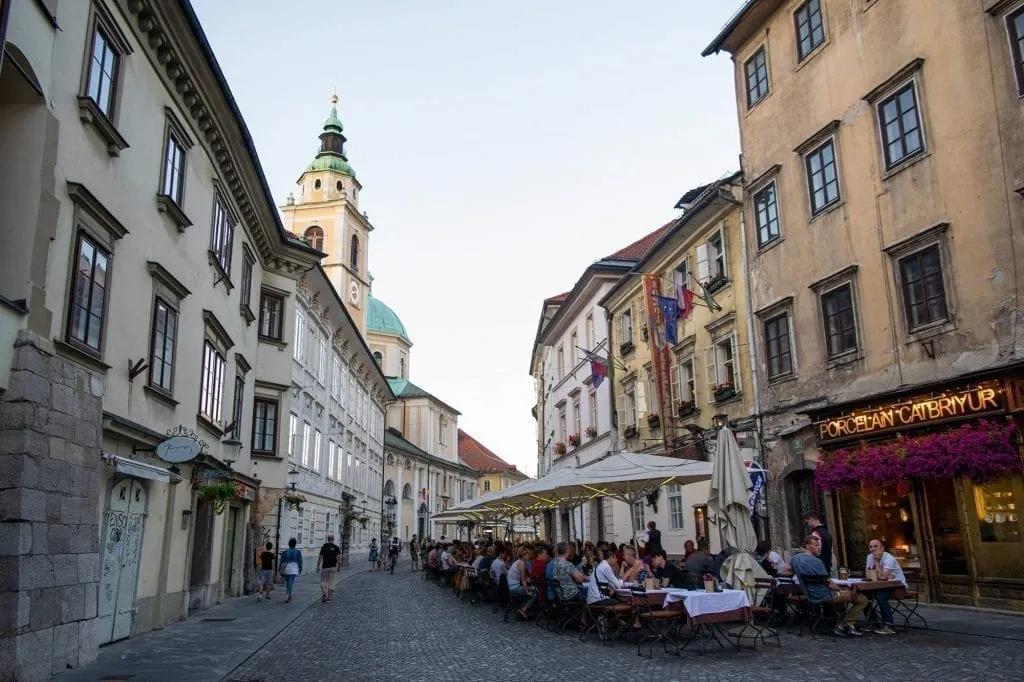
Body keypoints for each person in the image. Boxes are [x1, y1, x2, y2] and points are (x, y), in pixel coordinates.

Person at [790, 535, 868, 637]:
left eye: (819, 545)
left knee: (845, 596)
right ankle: (845, 624)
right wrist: (842, 589)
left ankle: (839, 622)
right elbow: (830, 583)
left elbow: (786, 571)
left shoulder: (795, 558)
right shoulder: (817, 561)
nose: (819, 547)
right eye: (816, 545)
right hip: (827, 595)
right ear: (808, 546)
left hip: (810, 595)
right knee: (862, 599)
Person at [865, 538, 905, 635]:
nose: (873, 549)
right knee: (862, 596)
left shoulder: (889, 559)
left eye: (875, 546)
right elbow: (867, 575)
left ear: (882, 548)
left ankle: (889, 625)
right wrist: (873, 567)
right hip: (880, 586)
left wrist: (877, 562)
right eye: (871, 547)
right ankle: (873, 622)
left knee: (880, 596)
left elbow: (882, 577)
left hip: (897, 587)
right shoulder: (870, 557)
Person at [317, 534, 342, 603]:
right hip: (333, 567)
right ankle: (329, 598)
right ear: (333, 539)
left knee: (323, 581)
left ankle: (324, 592)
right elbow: (338, 558)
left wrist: (318, 566)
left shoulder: (324, 547)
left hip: (325, 567)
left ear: (328, 539)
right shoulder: (336, 547)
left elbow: (320, 557)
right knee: (331, 582)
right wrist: (339, 566)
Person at [280, 538, 303, 603]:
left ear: (289, 544)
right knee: (290, 583)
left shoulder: (286, 551)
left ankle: (289, 595)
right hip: (293, 569)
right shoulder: (298, 552)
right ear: (295, 544)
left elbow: (281, 561)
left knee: (289, 583)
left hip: (286, 569)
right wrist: (300, 569)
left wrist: (279, 569)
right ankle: (287, 596)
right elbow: (300, 561)